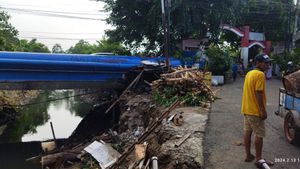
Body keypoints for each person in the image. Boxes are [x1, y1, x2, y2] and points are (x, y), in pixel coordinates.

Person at [241, 53, 274, 168]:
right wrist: (262, 110)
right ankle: (259, 159)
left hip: (246, 109)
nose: (268, 65)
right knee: (259, 134)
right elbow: (259, 93)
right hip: (255, 111)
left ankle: (248, 155)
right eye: (266, 63)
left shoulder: (249, 73)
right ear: (258, 63)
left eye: (269, 63)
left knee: (247, 132)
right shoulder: (260, 75)